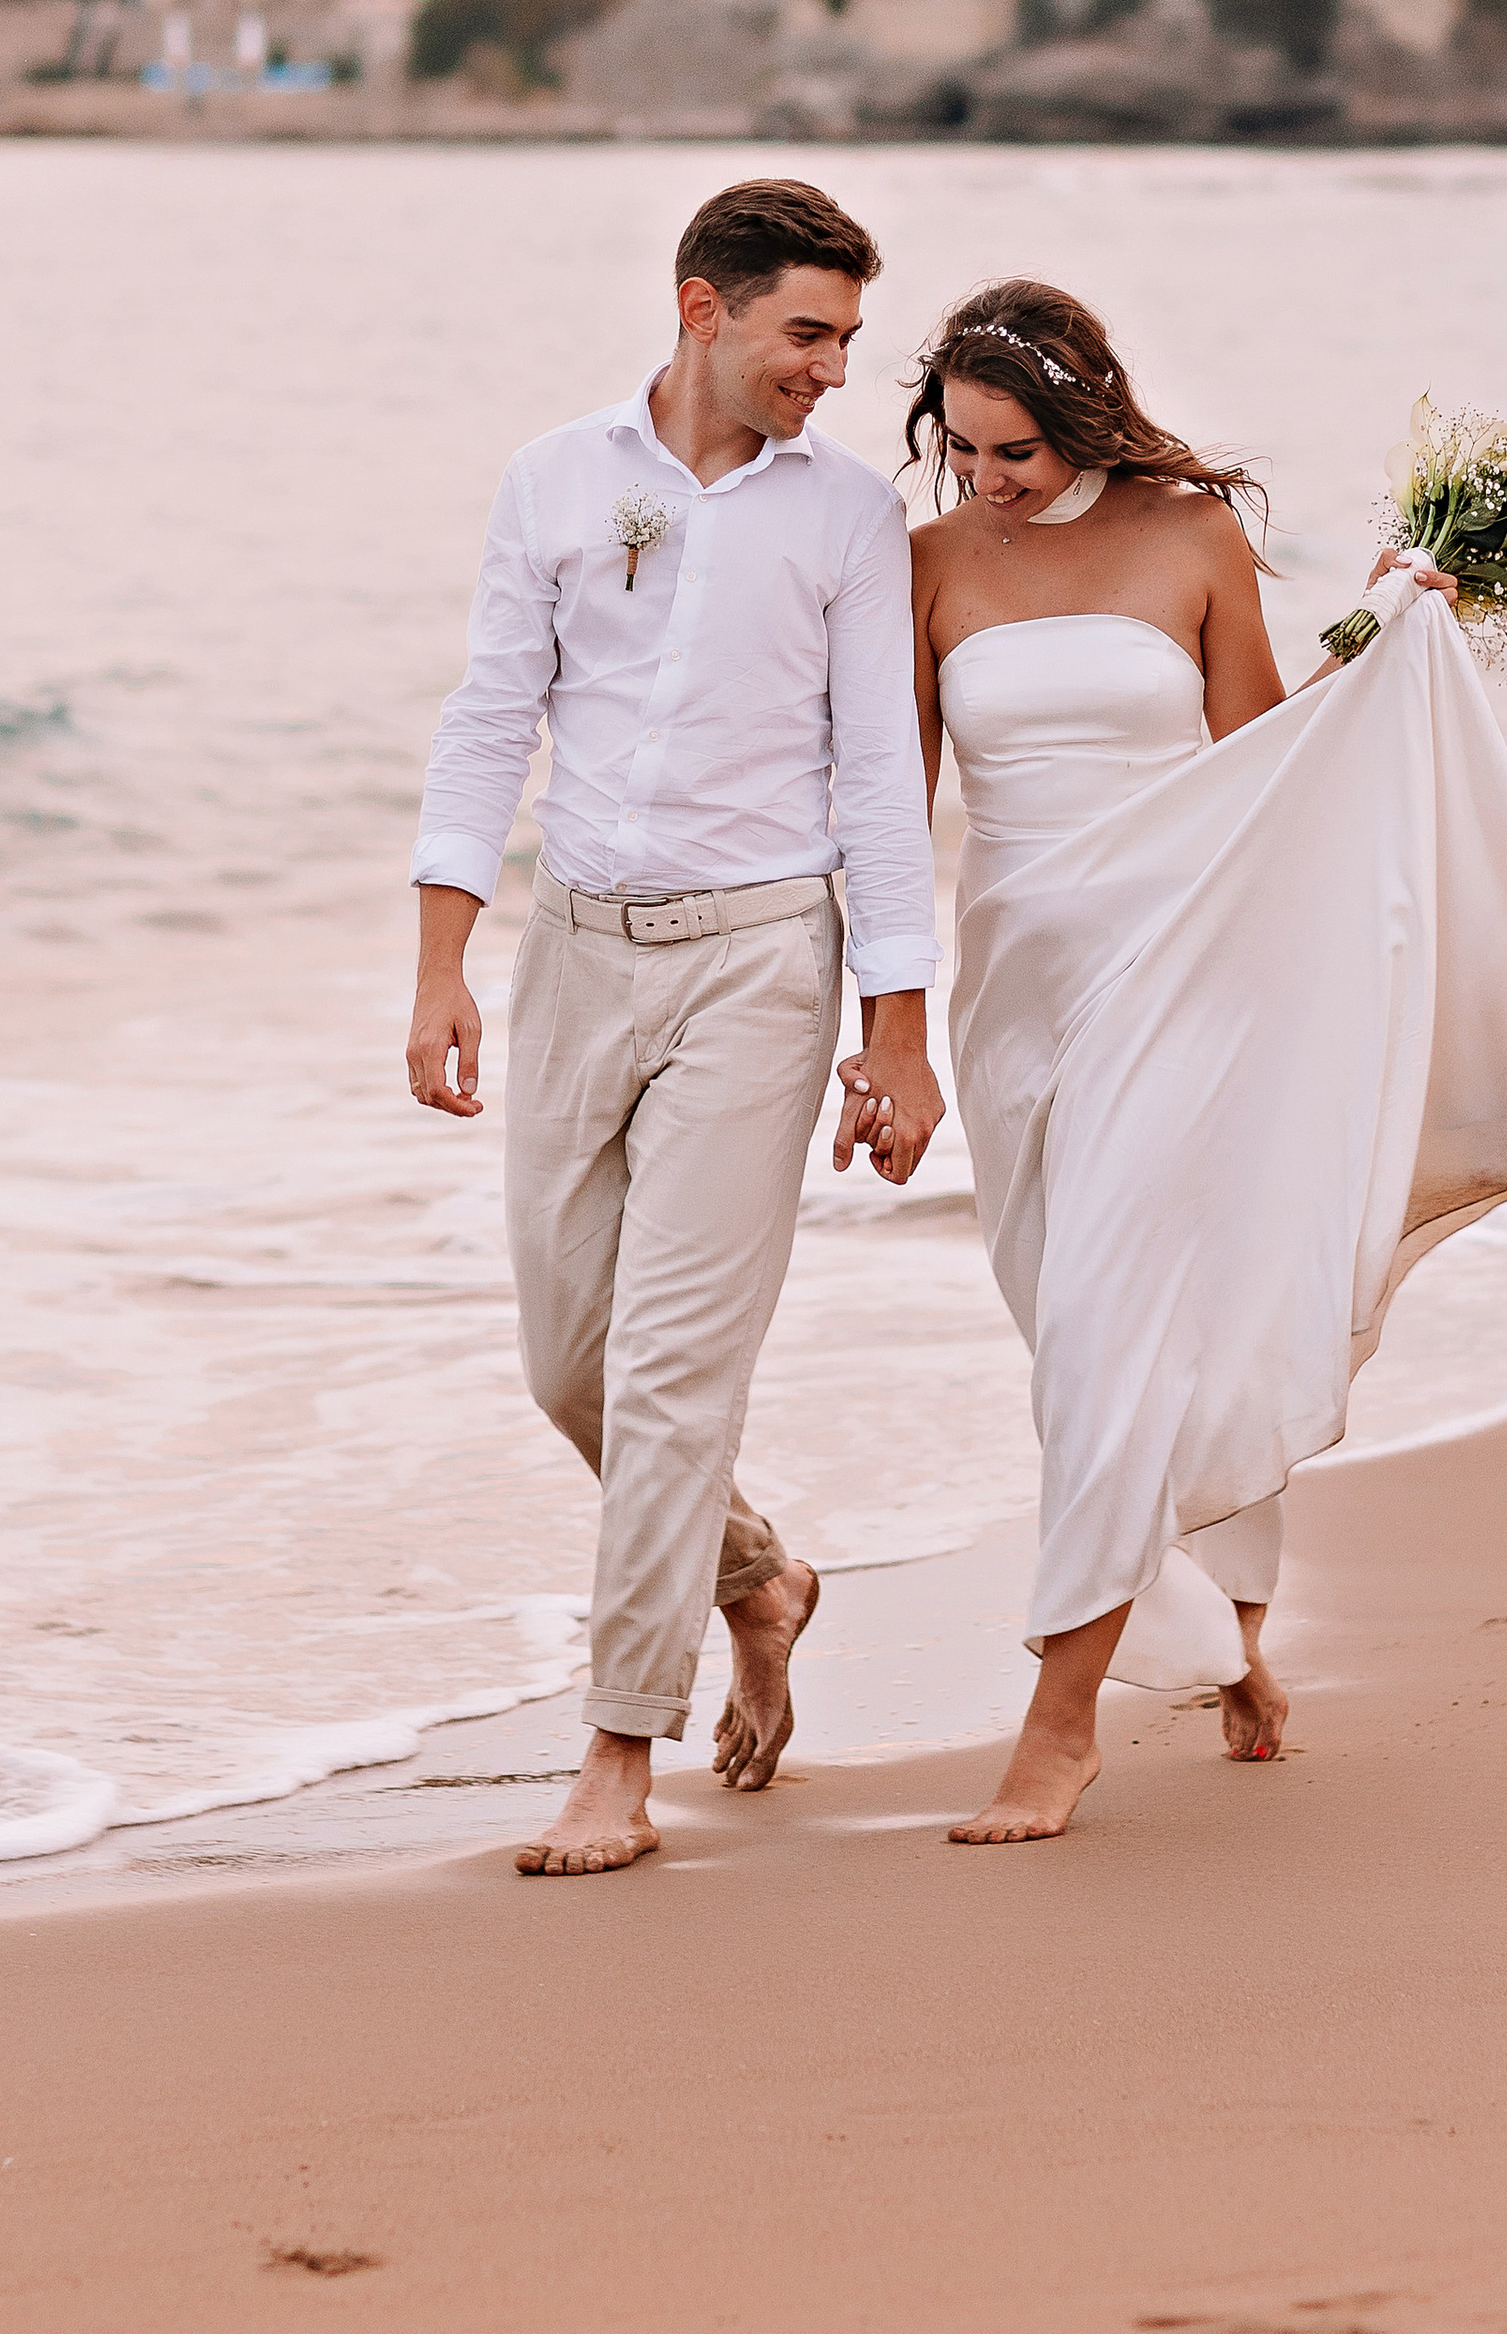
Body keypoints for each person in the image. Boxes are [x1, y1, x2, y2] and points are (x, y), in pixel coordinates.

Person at [849, 276, 1507, 1849]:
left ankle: (1060, 1722)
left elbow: (1265, 763)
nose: (986, 482)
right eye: (960, 452)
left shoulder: (1195, 536)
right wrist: (889, 1036)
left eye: (1012, 451)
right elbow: (895, 807)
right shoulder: (930, 564)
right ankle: (1237, 1645)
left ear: (1082, 414)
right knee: (1078, 1322)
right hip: (1020, 982)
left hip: (1186, 968)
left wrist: (1392, 643)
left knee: (1115, 1324)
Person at [407, 178, 943, 1878]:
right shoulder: (556, 481)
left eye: (850, 340)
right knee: (569, 1362)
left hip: (759, 969)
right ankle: (756, 1577)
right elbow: (493, 717)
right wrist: (444, 964)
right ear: (702, 308)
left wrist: (899, 1029)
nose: (834, 371)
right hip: (575, 953)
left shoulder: (850, 519)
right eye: (808, 333)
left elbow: (876, 773)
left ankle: (616, 1758)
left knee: (669, 1372)